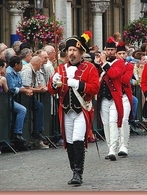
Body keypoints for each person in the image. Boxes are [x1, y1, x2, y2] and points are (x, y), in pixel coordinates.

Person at [47, 31, 100, 186]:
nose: (71, 53)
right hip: (66, 111)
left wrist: (78, 84)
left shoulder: (90, 68)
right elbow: (52, 90)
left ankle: (78, 173)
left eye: (74, 50)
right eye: (69, 50)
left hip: (81, 110)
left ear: (81, 52)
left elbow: (95, 88)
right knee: (69, 142)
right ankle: (73, 170)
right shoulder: (60, 69)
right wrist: (53, 83)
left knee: (78, 140)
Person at [94, 36, 125, 161]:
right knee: (106, 124)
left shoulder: (120, 63)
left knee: (113, 122)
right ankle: (109, 148)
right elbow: (95, 77)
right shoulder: (101, 63)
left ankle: (113, 149)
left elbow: (113, 74)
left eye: (112, 50)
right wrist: (96, 64)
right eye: (108, 50)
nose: (109, 52)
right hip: (103, 97)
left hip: (114, 97)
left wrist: (104, 63)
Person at [20, 56, 49, 148]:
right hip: (23, 97)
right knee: (38, 106)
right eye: (40, 64)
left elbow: (37, 84)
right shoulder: (27, 70)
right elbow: (26, 87)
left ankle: (38, 131)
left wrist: (40, 87)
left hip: (31, 96)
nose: (41, 66)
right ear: (37, 64)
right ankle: (36, 132)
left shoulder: (35, 71)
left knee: (39, 106)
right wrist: (39, 90)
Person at [5, 56, 33, 142]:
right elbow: (12, 88)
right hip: (7, 100)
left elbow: (20, 84)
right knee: (22, 110)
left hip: (14, 99)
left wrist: (26, 90)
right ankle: (17, 132)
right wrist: (24, 90)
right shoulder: (9, 73)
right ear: (16, 65)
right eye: (21, 64)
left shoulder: (17, 72)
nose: (22, 66)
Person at [115, 41, 133, 157]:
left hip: (125, 96)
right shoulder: (113, 65)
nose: (122, 56)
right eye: (119, 53)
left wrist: (116, 73)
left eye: (123, 53)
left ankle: (124, 145)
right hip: (114, 97)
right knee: (114, 121)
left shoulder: (129, 66)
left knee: (124, 120)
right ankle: (114, 144)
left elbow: (125, 79)